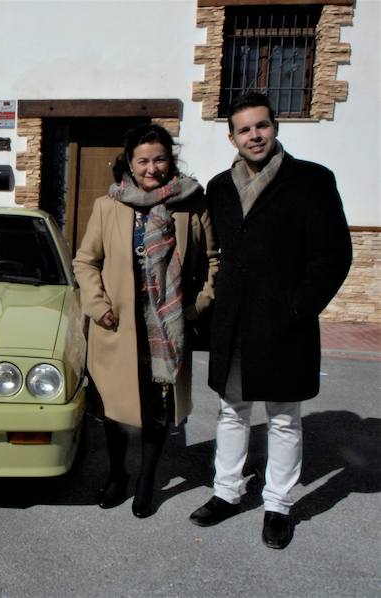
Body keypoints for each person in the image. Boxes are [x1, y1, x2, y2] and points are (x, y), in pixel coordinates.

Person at [189, 92, 352, 549]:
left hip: (285, 324)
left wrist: (297, 309)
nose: (254, 135)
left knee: (283, 418)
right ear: (232, 137)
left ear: (274, 127)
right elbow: (214, 250)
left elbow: (333, 255)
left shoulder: (312, 181)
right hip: (235, 321)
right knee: (232, 411)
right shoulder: (220, 187)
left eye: (261, 125)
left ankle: (278, 504)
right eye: (244, 129)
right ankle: (226, 493)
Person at [73, 124, 218, 518]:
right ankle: (117, 475)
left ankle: (145, 483)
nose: (152, 168)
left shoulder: (191, 204)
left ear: (170, 160)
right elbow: (86, 261)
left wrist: (199, 304)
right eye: (143, 160)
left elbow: (213, 260)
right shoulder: (109, 205)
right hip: (116, 327)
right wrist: (97, 304)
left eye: (159, 159)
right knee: (115, 411)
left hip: (166, 329)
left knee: (157, 408)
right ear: (130, 164)